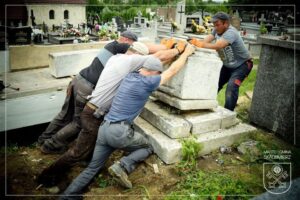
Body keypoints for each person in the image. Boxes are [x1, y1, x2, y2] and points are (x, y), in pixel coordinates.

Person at [37, 40, 188, 186]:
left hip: (92, 109)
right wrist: (179, 51)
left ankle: (86, 163)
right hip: (95, 114)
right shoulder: (130, 62)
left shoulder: (116, 58)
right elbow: (158, 61)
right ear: (136, 56)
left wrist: (162, 64)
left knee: (85, 148)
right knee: (77, 152)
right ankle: (47, 176)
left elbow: (151, 70)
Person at [38, 30, 178, 154]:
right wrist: (173, 48)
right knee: (78, 123)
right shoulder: (121, 46)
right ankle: (50, 145)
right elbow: (154, 53)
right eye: (132, 42)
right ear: (127, 40)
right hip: (87, 87)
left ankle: (43, 139)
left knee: (64, 115)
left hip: (78, 80)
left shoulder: (112, 49)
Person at [188, 12, 253, 111]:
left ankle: (228, 113)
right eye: (214, 25)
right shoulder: (216, 30)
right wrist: (195, 42)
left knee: (231, 87)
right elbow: (205, 41)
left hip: (243, 65)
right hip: (227, 65)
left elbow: (218, 46)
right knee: (214, 84)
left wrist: (198, 44)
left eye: (217, 24)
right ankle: (205, 106)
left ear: (226, 23)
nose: (215, 27)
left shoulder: (231, 33)